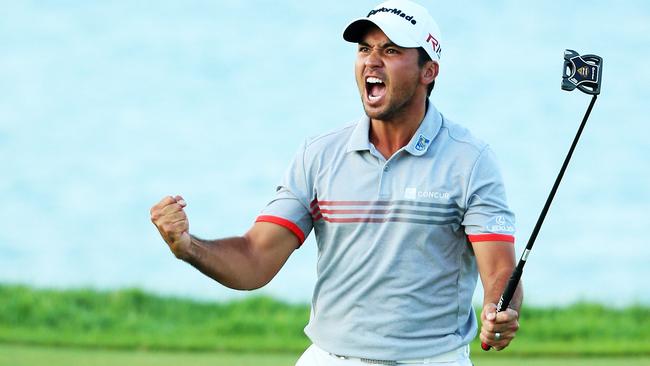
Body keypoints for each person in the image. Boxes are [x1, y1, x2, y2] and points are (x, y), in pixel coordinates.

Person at [150, 0, 522, 364]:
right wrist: (188, 247)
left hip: (430, 359)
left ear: (429, 71)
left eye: (390, 50)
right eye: (364, 49)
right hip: (329, 358)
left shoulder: (470, 160)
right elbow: (256, 258)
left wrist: (498, 312)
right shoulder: (319, 154)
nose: (371, 61)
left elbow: (500, 270)